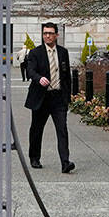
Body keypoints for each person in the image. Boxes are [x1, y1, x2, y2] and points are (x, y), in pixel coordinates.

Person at [22, 22, 75, 173]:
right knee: (37, 130)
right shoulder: (35, 53)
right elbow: (30, 71)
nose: (47, 36)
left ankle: (65, 162)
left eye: (50, 33)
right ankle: (34, 157)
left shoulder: (63, 52)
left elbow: (67, 77)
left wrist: (67, 98)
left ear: (56, 35)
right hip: (41, 98)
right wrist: (39, 78)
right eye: (45, 33)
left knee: (62, 130)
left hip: (58, 99)